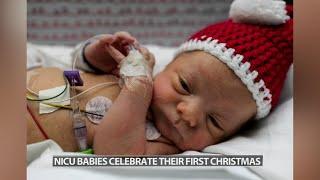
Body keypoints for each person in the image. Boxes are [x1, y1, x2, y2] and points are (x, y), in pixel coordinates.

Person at [27, 0, 293, 155]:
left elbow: (114, 155)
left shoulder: (163, 143)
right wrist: (95, 55)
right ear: (167, 67)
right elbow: (76, 63)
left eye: (214, 121)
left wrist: (135, 94)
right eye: (185, 85)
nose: (188, 114)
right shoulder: (136, 74)